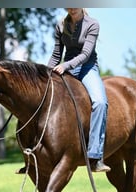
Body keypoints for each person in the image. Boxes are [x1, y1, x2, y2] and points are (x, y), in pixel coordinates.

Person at [48, 8, 110, 172]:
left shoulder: (92, 24)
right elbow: (56, 54)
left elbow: (85, 54)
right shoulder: (61, 25)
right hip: (66, 68)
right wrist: (44, 75)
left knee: (100, 103)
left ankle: (95, 157)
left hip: (87, 68)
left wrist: (65, 65)